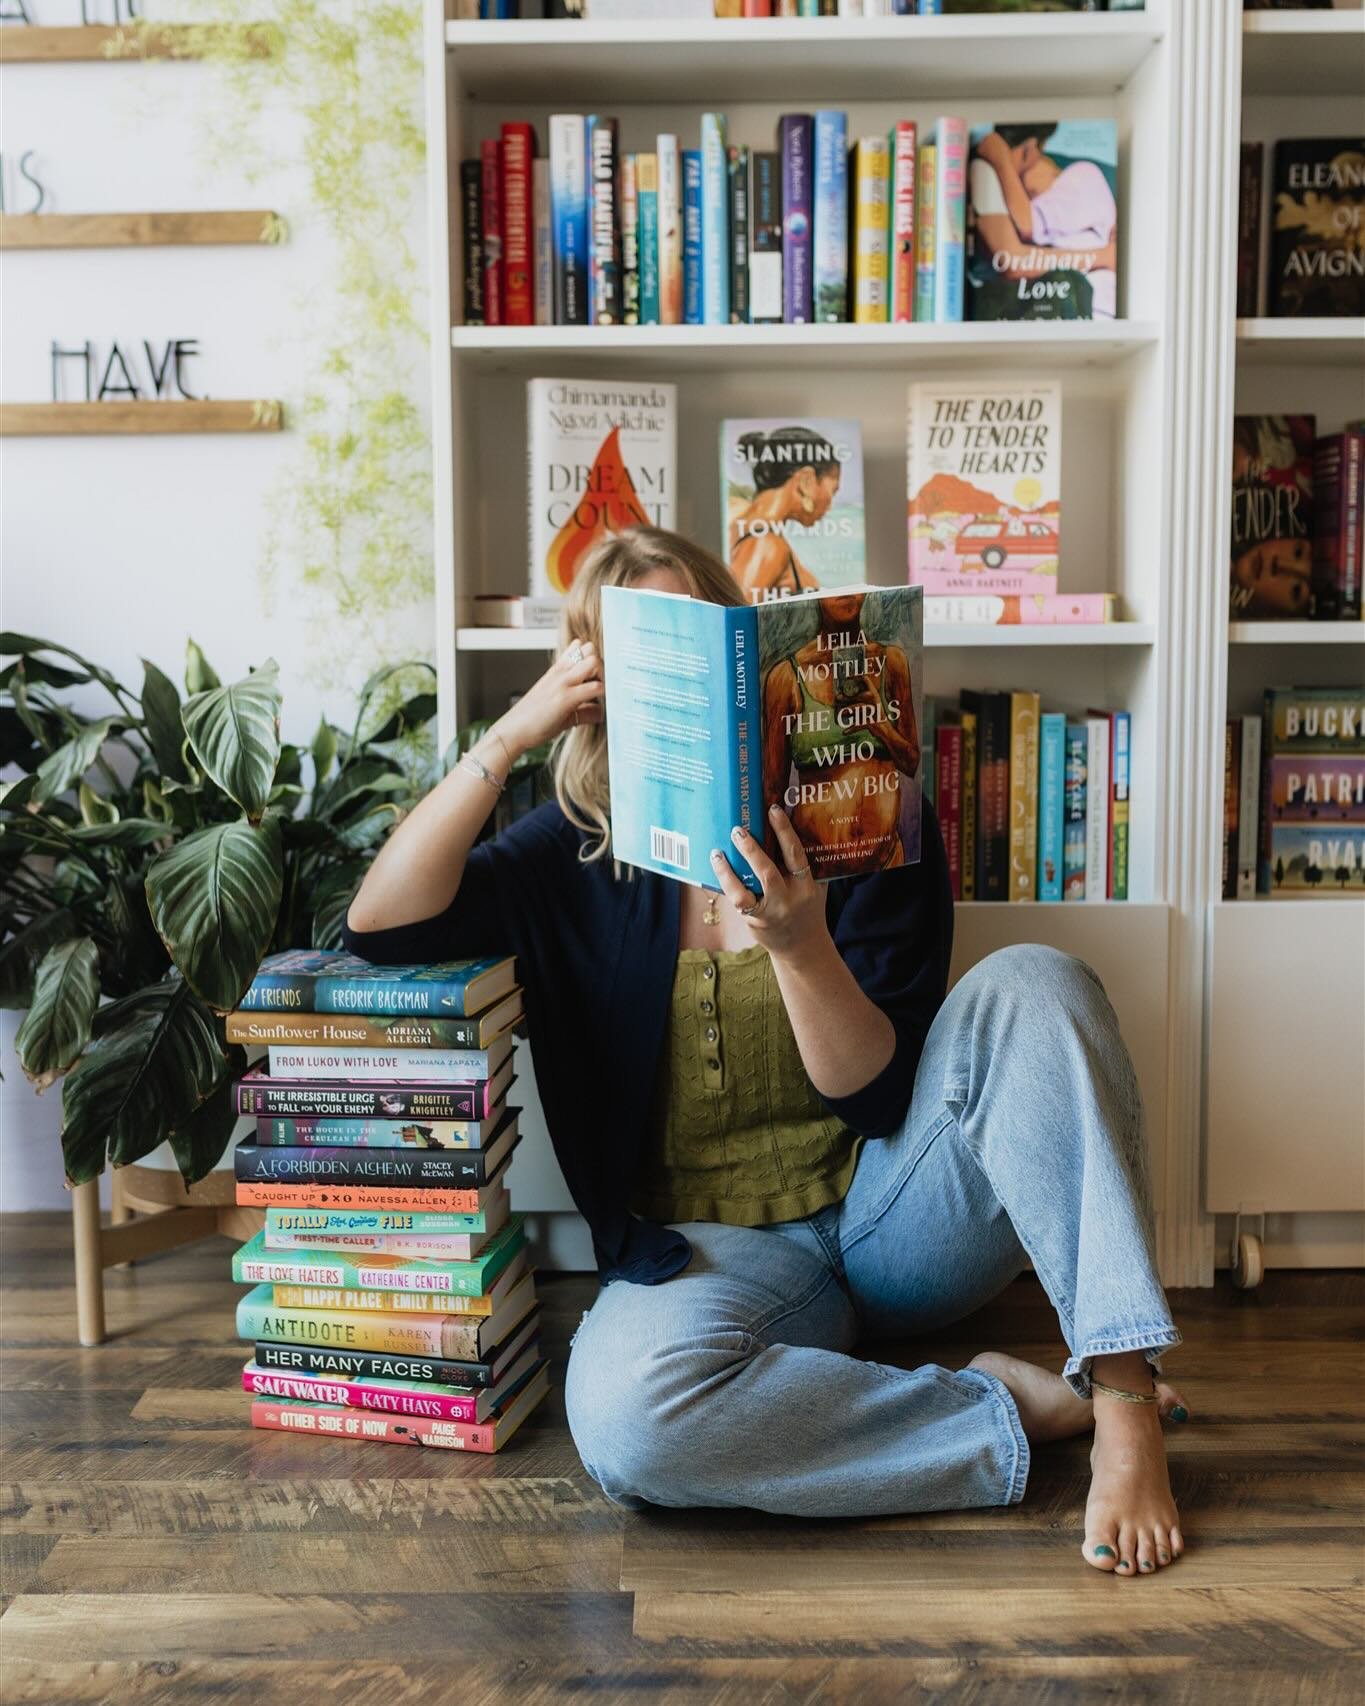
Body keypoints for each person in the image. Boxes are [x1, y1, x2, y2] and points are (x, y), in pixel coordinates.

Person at [342, 525, 1189, 1577]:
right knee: (627, 1422)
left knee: (1037, 980)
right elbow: (379, 925)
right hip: (710, 1254)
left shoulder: (857, 815)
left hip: (893, 1210)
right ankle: (991, 1409)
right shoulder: (572, 849)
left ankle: (1122, 1397)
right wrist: (512, 731)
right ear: (593, 682)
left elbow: (879, 1093)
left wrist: (797, 939)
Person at [760, 589, 921, 876]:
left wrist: (880, 723)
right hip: (813, 874)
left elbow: (910, 762)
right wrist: (768, 879)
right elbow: (773, 791)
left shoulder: (891, 661)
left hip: (888, 865)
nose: (846, 597)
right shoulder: (786, 676)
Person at [970, 123, 1119, 319]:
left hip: (1094, 310)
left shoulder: (1083, 176)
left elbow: (1027, 224)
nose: (1017, 190)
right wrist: (1102, 257)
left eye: (1019, 178)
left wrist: (1001, 161)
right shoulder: (1059, 224)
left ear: (1030, 151)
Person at [727, 425, 846, 597]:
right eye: (833, 490)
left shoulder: (745, 523)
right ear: (806, 480)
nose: (830, 505)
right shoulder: (766, 544)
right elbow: (737, 617)